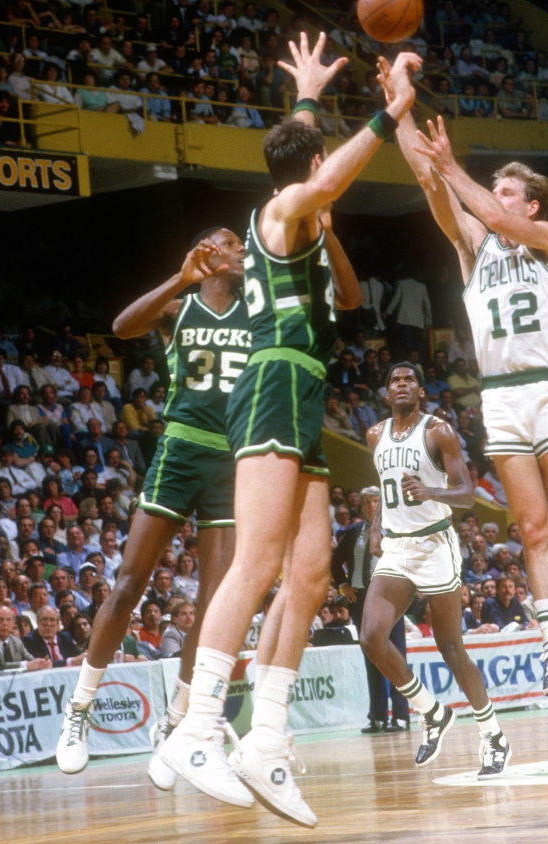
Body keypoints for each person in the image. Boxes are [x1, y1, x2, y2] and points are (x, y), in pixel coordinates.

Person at [160, 36, 417, 829]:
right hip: (272, 382)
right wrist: (390, 111)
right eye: (318, 174)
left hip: (304, 393)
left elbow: (308, 159)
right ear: (308, 179)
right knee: (260, 560)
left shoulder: (294, 203)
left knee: (309, 577)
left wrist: (306, 95)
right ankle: (197, 725)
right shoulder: (280, 209)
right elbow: (325, 173)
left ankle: (265, 737)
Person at [402, 107, 548, 696]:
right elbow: (431, 185)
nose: (496, 198)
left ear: (531, 206)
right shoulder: (474, 245)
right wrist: (401, 109)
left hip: (547, 387)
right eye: (494, 189)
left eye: (508, 191)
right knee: (533, 528)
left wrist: (452, 164)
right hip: (500, 398)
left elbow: (483, 209)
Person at [55, 228, 247, 779]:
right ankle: (79, 710)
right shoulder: (179, 309)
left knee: (212, 605)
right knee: (128, 586)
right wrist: (180, 276)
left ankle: (177, 724)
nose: (242, 251)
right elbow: (120, 328)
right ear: (209, 255)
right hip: (181, 449)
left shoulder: (255, 314)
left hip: (230, 463)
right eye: (232, 244)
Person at [358, 362, 509, 776]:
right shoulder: (375, 434)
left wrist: (432, 491)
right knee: (370, 636)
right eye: (395, 380)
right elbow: (387, 490)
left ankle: (492, 734)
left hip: (435, 544)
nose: (402, 384)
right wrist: (376, 526)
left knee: (451, 648)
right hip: (397, 549)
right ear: (387, 392)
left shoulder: (438, 430)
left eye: (409, 379)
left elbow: (466, 494)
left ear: (421, 391)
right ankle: (431, 711)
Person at [331, 487, 409, 734]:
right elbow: (335, 561)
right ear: (361, 506)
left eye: (377, 501)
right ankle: (377, 716)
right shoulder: (353, 532)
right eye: (368, 502)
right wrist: (343, 585)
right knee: (371, 657)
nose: (372, 505)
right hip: (361, 598)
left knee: (395, 654)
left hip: (390, 598)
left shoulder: (397, 529)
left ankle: (401, 716)